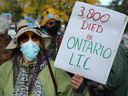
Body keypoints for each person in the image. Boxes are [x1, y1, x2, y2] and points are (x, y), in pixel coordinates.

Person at [0, 19, 87, 96]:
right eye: (25, 38)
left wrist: (79, 90)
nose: (30, 43)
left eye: (35, 38)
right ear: (18, 44)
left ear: (41, 42)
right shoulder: (5, 69)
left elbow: (70, 93)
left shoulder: (54, 69)